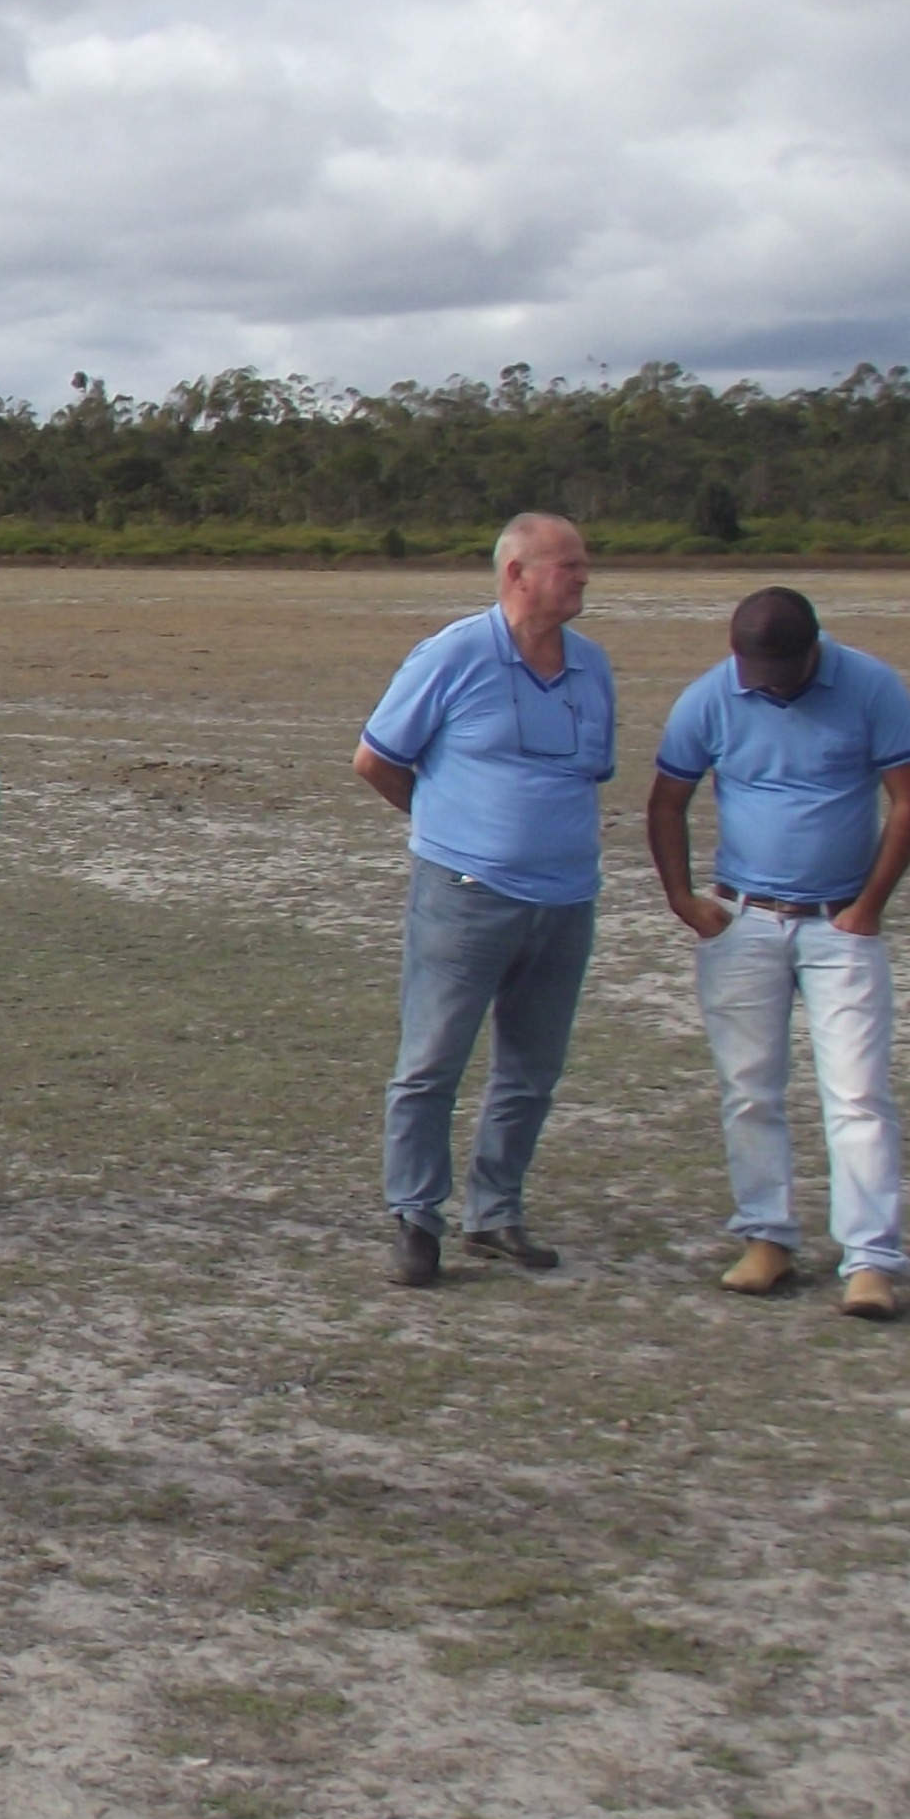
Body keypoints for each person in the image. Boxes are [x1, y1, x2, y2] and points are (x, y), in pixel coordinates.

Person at [644, 587, 910, 1321]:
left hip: (841, 925)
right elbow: (667, 800)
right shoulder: (712, 696)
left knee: (859, 1094)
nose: (764, 683)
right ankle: (767, 1236)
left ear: (812, 648)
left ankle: (869, 1258)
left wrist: (869, 906)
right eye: (753, 669)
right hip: (742, 920)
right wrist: (683, 899)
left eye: (778, 669)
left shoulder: (871, 686)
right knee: (748, 1088)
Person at [354, 512, 617, 1287]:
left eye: (583, 563)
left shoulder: (591, 667)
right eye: (567, 564)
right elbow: (376, 759)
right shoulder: (455, 654)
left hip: (566, 902)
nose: (582, 576)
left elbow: (586, 775)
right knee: (431, 1062)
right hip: (464, 898)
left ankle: (496, 1211)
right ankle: (416, 1218)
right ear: (517, 574)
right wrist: (450, 832)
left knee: (532, 1069)